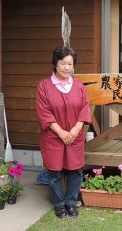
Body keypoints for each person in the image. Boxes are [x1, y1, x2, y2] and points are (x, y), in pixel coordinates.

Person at [36, 46, 91, 219]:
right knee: (54, 172)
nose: (67, 67)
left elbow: (84, 108)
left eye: (70, 64)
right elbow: (44, 112)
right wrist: (61, 132)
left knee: (75, 170)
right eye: (63, 63)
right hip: (53, 136)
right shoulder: (44, 86)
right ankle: (59, 204)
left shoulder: (79, 86)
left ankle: (71, 202)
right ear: (55, 63)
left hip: (75, 136)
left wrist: (75, 130)